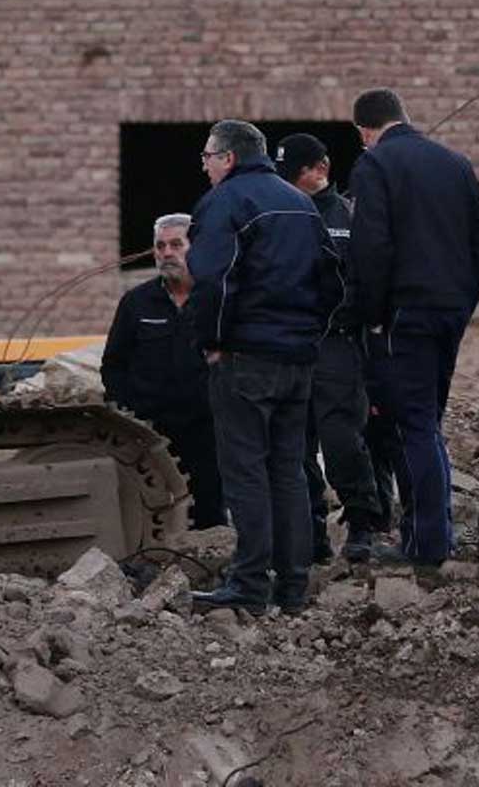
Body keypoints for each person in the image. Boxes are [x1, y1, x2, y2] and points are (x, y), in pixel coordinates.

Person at [185, 119, 334, 615]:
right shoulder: (301, 203)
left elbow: (214, 282)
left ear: (228, 158)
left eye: (207, 157)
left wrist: (212, 341)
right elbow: (334, 282)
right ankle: (292, 586)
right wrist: (308, 334)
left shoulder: (226, 202)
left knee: (245, 471)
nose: (204, 166)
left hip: (246, 358)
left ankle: (249, 583)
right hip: (297, 360)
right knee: (288, 471)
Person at [347, 88, 479, 568]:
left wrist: (370, 315)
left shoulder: (375, 166)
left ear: (364, 131)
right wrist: (461, 302)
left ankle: (426, 545)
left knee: (412, 426)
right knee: (426, 422)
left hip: (401, 318)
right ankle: (434, 534)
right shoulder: (455, 163)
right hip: (446, 315)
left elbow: (372, 248)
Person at [275, 131, 388, 564]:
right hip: (292, 344)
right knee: (294, 444)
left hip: (338, 345)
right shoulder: (280, 214)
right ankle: (311, 532)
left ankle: (363, 522)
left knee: (341, 438)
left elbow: (370, 281)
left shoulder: (348, 215)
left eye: (296, 174)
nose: (288, 182)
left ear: (320, 169)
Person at [101, 212, 225, 529]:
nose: (167, 253)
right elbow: (113, 366)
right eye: (160, 246)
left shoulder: (216, 299)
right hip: (152, 435)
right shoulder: (137, 303)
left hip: (207, 432)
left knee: (209, 515)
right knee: (154, 515)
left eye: (175, 244)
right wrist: (131, 414)